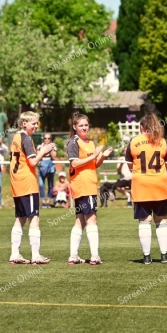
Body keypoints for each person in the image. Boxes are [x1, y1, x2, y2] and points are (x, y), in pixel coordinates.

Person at [9, 111, 56, 265]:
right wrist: (43, 151)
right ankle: (36, 255)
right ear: (24, 123)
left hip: (17, 182)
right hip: (27, 183)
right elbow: (33, 162)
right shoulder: (26, 138)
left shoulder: (16, 137)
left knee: (20, 218)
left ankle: (14, 254)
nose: (36, 126)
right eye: (33, 123)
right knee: (34, 217)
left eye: (37, 123)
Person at [125, 113, 167, 264]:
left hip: (141, 186)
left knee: (144, 221)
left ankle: (146, 256)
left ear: (142, 127)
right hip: (160, 184)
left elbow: (130, 165)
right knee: (161, 219)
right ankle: (164, 255)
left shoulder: (134, 142)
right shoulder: (163, 142)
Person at [66, 113, 113, 265]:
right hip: (83, 185)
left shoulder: (89, 143)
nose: (84, 127)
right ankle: (94, 256)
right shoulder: (74, 142)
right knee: (92, 219)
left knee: (80, 221)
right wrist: (94, 156)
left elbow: (93, 164)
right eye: (81, 125)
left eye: (86, 125)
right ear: (75, 127)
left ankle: (73, 256)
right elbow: (74, 163)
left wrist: (102, 156)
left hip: (88, 185)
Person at [36, 133, 57, 208]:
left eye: (48, 138)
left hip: (50, 167)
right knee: (41, 185)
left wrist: (50, 149)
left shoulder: (53, 147)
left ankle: (48, 202)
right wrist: (44, 149)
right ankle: (43, 202)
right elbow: (38, 156)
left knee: (50, 185)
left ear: (51, 139)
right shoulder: (39, 146)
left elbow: (54, 157)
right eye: (45, 138)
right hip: (42, 167)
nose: (47, 140)